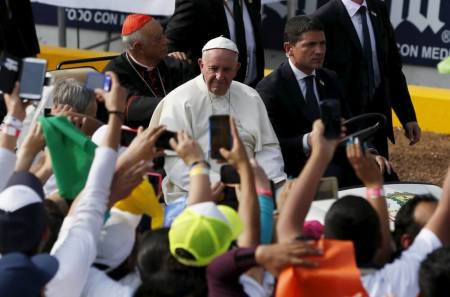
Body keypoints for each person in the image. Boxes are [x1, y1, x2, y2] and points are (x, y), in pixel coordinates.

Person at [155, 36, 286, 202]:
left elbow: (268, 147)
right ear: (201, 65)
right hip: (198, 191)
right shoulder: (179, 100)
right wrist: (223, 186)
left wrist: (266, 182)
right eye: (213, 68)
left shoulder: (251, 96)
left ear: (237, 68)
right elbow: (174, 160)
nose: (219, 76)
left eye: (226, 69)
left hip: (251, 188)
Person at [311, 0, 421, 158]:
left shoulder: (378, 9)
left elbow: (392, 68)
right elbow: (318, 77)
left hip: (377, 118)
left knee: (379, 176)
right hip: (345, 123)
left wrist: (408, 116)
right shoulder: (323, 18)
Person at [256, 15, 354, 183]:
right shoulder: (270, 89)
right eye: (310, 45)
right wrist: (308, 141)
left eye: (322, 44)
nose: (319, 51)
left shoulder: (330, 78)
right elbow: (271, 144)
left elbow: (351, 124)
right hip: (294, 173)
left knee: (384, 171)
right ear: (289, 49)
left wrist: (369, 152)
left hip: (336, 162)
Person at [101, 14, 194, 128]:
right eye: (158, 38)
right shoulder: (110, 72)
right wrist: (176, 104)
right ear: (139, 47)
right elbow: (129, 108)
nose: (166, 41)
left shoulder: (177, 64)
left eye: (163, 33)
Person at [164, 0, 265, 86]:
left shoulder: (251, 2)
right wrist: (174, 55)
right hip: (212, 90)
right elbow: (170, 42)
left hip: (250, 89)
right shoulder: (197, 2)